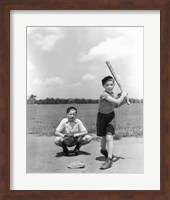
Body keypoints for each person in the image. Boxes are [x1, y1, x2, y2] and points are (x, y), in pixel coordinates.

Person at [96, 75, 127, 170]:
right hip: (101, 117)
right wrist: (123, 95)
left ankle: (109, 159)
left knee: (109, 137)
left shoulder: (113, 95)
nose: (110, 86)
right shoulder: (104, 95)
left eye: (111, 84)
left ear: (114, 85)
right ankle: (103, 150)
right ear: (103, 86)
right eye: (107, 85)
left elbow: (116, 105)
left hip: (111, 117)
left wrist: (124, 100)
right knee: (104, 137)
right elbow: (117, 102)